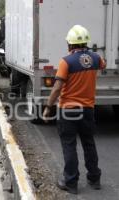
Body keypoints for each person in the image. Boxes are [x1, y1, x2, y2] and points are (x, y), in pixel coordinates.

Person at [43, 25, 105, 194]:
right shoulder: (96, 58)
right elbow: (102, 65)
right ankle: (94, 178)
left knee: (69, 145)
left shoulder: (66, 61)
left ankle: (71, 182)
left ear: (70, 44)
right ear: (86, 42)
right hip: (87, 110)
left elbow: (57, 88)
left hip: (68, 110)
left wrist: (48, 107)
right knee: (89, 143)